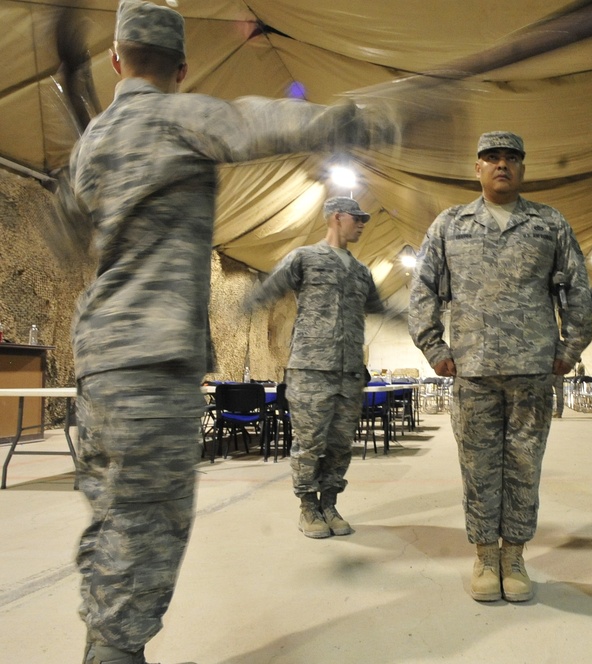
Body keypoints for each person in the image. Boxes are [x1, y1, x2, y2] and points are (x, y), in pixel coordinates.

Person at [57, 2, 405, 662]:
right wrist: (361, 117)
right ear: (183, 68)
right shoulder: (179, 114)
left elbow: (71, 222)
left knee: (112, 512)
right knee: (151, 522)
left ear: (115, 58)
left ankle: (103, 641)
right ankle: (114, 651)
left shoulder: (92, 143)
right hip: (154, 359)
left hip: (100, 354)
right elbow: (259, 122)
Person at [408, 131, 592, 603]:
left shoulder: (548, 223)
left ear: (523, 168)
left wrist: (569, 351)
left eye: (511, 158)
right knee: (478, 469)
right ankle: (485, 555)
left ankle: (515, 554)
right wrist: (434, 348)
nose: (501, 165)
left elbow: (576, 291)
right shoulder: (450, 224)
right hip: (473, 373)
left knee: (524, 468)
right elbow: (422, 290)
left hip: (532, 372)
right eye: (491, 158)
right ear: (477, 168)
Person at [244, 197, 383, 539]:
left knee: (340, 444)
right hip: (310, 368)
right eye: (357, 218)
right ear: (337, 218)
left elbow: (380, 307)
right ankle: (308, 507)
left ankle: (330, 504)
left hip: (349, 372)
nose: (363, 224)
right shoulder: (304, 258)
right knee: (309, 443)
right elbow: (267, 290)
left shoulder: (362, 271)